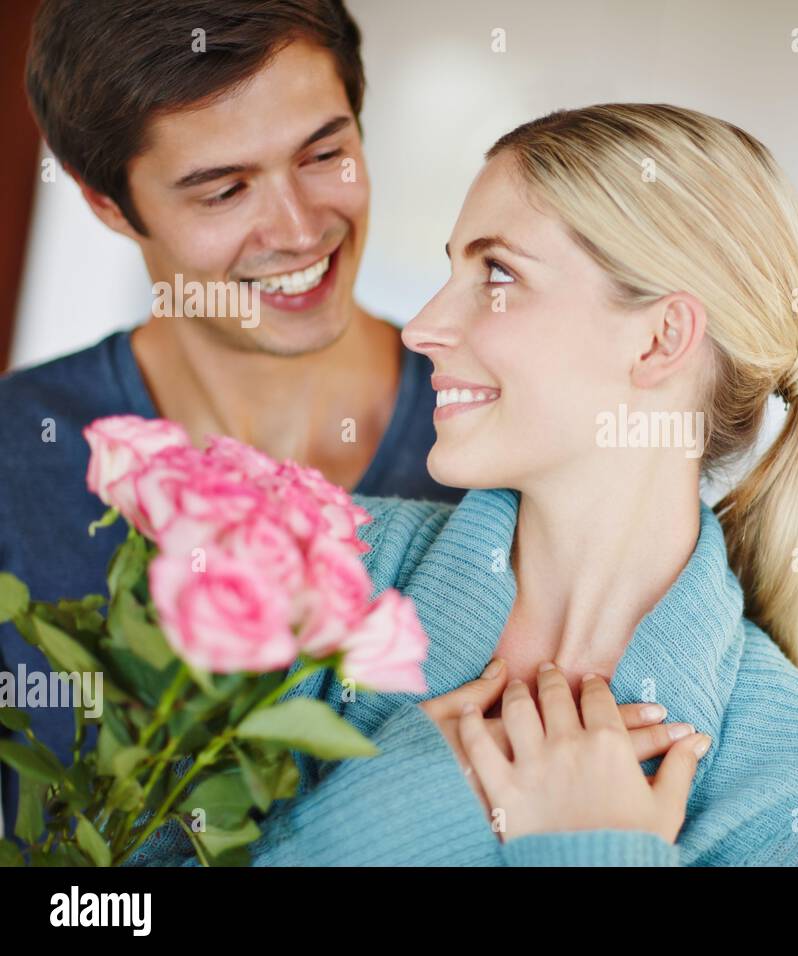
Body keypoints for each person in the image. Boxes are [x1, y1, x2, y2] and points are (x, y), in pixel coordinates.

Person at [129, 103, 798, 866]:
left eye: (496, 273)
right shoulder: (311, 566)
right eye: (451, 267)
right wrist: (394, 810)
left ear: (661, 340)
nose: (421, 326)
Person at [0, 0, 464, 838]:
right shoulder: (12, 456)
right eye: (224, 190)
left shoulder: (510, 439)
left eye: (325, 152)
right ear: (107, 202)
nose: (298, 229)